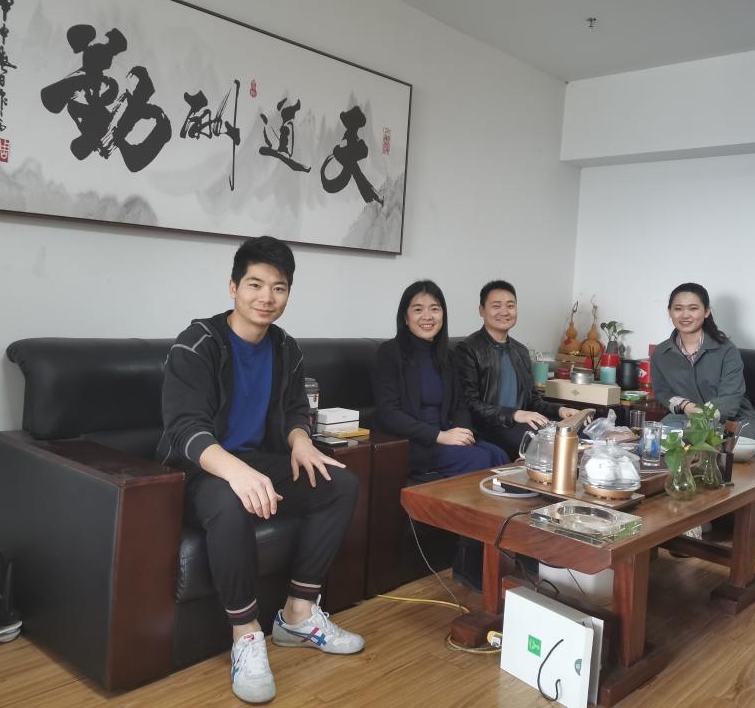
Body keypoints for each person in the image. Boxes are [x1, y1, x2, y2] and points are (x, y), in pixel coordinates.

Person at [157, 236, 363, 704]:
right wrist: (236, 473)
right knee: (230, 501)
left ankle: (298, 615)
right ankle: (246, 635)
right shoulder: (197, 344)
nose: (266, 297)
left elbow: (294, 410)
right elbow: (185, 428)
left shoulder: (285, 348)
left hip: (257, 461)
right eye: (255, 284)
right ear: (233, 287)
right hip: (197, 469)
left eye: (279, 287)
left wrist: (301, 441)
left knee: (339, 483)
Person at [372, 280, 509, 477]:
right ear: (405, 317)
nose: (427, 316)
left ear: (443, 315)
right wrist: (439, 436)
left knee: (499, 455)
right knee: (478, 459)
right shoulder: (390, 353)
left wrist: (463, 434)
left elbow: (460, 405)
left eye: (434, 309)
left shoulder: (448, 356)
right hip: (414, 442)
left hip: (447, 436)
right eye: (418, 310)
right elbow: (389, 412)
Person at [456, 280, 582, 457]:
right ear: (482, 310)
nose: (504, 312)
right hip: (489, 426)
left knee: (578, 432)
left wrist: (561, 410)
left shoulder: (520, 351)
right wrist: (514, 414)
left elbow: (533, 401)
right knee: (549, 444)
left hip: (522, 422)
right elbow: (470, 404)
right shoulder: (468, 349)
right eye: (496, 306)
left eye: (510, 306)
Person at [650, 282, 755, 458]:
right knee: (655, 441)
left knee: (744, 454)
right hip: (686, 418)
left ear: (706, 312)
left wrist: (703, 415)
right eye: (678, 309)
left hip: (733, 420)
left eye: (693, 308)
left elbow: (731, 396)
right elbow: (663, 392)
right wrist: (686, 406)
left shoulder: (727, 350)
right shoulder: (661, 353)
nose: (685, 315)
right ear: (670, 312)